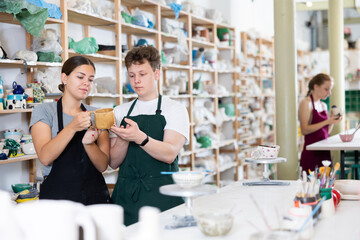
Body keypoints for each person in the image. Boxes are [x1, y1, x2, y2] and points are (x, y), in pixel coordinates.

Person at [109, 45, 189, 226]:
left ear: (156, 74)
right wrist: (122, 138)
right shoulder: (120, 111)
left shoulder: (174, 109)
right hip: (126, 196)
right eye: (131, 75)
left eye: (142, 74)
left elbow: (169, 154)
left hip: (163, 196)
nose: (136, 80)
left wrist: (139, 138)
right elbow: (113, 162)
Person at [30, 56, 110, 205]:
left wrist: (89, 144)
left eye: (91, 79)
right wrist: (73, 127)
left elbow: (102, 165)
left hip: (95, 197)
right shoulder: (44, 111)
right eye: (80, 77)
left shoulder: (97, 114)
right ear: (64, 78)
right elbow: (45, 157)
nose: (86, 83)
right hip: (58, 201)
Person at [299, 73, 342, 172]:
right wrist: (327, 121)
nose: (329, 92)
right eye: (326, 89)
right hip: (311, 152)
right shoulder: (306, 103)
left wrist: (332, 121)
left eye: (330, 89)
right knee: (311, 185)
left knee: (326, 184)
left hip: (324, 151)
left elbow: (326, 132)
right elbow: (304, 130)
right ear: (316, 87)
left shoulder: (323, 105)